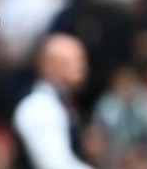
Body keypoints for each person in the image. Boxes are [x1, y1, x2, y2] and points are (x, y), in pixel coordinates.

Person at [12, 33, 94, 169]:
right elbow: (55, 165)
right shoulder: (38, 108)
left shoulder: (60, 103)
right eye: (76, 60)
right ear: (50, 66)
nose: (83, 67)